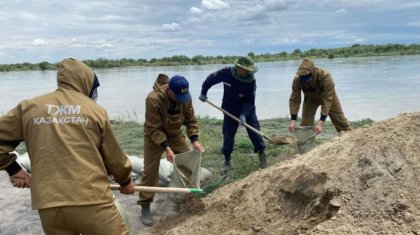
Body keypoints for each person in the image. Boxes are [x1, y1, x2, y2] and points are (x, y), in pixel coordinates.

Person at [0, 58, 135, 235]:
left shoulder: (28, 108)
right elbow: (114, 157)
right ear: (86, 81)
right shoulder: (94, 110)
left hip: (49, 204)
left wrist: (13, 168)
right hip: (91, 200)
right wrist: (125, 181)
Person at [138, 74, 205, 227]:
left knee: (187, 163)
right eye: (178, 96)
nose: (182, 99)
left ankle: (189, 197)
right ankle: (145, 205)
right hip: (154, 137)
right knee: (150, 171)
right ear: (169, 90)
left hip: (175, 134)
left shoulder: (185, 97)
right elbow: (154, 128)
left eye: (184, 96)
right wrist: (167, 148)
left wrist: (194, 140)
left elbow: (191, 120)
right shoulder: (153, 99)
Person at [199, 56, 267, 174]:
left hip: (247, 111)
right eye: (245, 70)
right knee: (228, 135)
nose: (247, 72)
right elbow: (210, 79)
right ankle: (227, 161)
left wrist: (244, 115)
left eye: (249, 70)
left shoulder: (251, 81)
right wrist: (203, 92)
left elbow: (250, 101)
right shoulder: (226, 73)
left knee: (255, 133)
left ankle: (262, 156)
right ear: (238, 67)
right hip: (229, 110)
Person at [288, 58, 351, 134]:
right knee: (305, 125)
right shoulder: (297, 80)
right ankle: (306, 144)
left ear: (313, 71)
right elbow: (295, 99)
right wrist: (293, 120)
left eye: (307, 76)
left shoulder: (325, 76)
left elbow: (327, 99)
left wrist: (321, 123)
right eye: (302, 77)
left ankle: (348, 137)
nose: (305, 79)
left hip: (329, 97)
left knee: (340, 120)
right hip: (310, 99)